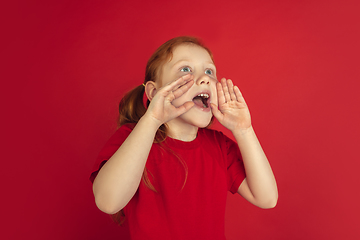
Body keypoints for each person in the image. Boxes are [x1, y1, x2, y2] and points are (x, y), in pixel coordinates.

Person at [90, 36, 278, 239]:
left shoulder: (220, 146)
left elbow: (267, 198)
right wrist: (152, 119)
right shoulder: (132, 138)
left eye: (209, 71)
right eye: (185, 69)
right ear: (154, 92)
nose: (204, 78)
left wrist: (244, 130)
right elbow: (108, 202)